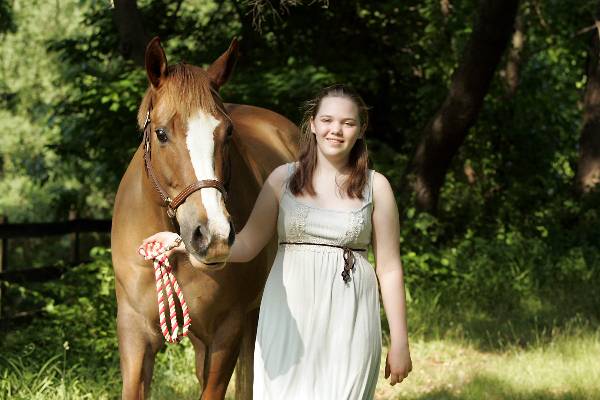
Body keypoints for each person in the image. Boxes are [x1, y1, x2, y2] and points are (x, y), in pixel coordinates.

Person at [140, 84, 412, 399]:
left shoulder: (376, 187)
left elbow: (389, 269)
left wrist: (400, 342)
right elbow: (246, 246)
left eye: (347, 123)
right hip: (288, 315)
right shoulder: (283, 179)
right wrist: (179, 242)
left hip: (349, 317)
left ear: (361, 130)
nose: (335, 130)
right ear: (313, 124)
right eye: (327, 120)